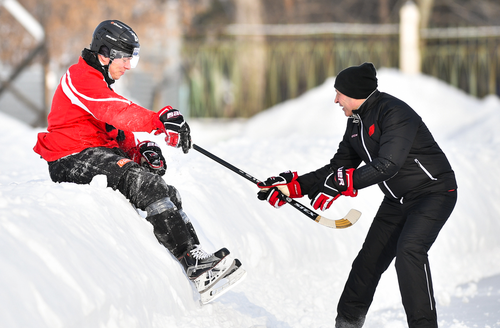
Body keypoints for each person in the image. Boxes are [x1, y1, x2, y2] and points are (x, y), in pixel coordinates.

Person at [33, 20, 244, 301]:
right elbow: (114, 111)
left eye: (134, 58)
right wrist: (159, 120)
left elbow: (115, 130)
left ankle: (198, 259)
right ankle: (194, 264)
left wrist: (142, 151)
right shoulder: (79, 77)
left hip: (94, 154)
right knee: (142, 182)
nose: (129, 66)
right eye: (126, 58)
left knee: (165, 190)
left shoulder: (101, 86)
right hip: (70, 158)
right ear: (104, 54)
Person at [257, 62, 457, 327]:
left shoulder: (395, 113)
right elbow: (337, 168)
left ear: (354, 93)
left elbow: (388, 164)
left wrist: (343, 183)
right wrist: (293, 187)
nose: (336, 99)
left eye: (339, 93)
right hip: (397, 201)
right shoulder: (355, 121)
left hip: (433, 193)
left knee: (409, 251)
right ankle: (347, 323)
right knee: (368, 261)